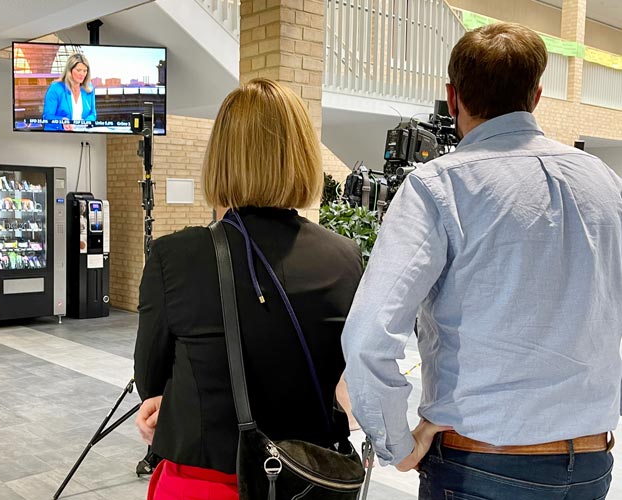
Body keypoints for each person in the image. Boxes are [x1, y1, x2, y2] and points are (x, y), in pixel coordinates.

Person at [342, 21, 622, 500]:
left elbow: (369, 335)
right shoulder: (604, 182)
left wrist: (397, 443)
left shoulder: (439, 187)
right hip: (590, 463)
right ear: (535, 96)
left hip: (480, 465)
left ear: (453, 99)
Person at [134, 78, 364, 500]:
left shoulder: (175, 256)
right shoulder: (344, 258)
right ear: (302, 155)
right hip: (306, 483)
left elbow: (150, 380)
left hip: (205, 480)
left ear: (219, 157)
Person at [42, 52, 96, 131]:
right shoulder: (56, 88)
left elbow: (92, 114)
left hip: (83, 135)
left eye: (85, 71)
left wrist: (87, 122)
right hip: (60, 136)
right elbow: (47, 117)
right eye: (78, 70)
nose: (82, 74)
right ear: (69, 71)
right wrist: (62, 122)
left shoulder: (89, 88)